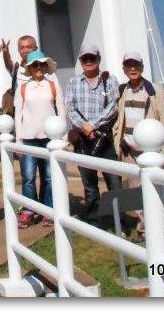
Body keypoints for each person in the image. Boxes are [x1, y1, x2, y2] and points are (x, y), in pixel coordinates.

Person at [112, 51, 164, 239]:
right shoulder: (122, 90)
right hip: (130, 151)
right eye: (128, 65)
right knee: (137, 194)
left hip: (153, 151)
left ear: (142, 67)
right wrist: (119, 140)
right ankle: (144, 230)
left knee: (160, 193)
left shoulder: (155, 91)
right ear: (124, 68)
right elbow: (118, 119)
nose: (132, 68)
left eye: (136, 65)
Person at [64, 43, 121, 226]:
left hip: (104, 137)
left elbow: (113, 106)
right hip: (82, 139)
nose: (88, 62)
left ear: (98, 60)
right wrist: (84, 127)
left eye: (92, 58)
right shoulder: (73, 82)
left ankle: (118, 219)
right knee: (89, 183)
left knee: (114, 180)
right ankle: (93, 219)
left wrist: (93, 126)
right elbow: (69, 108)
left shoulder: (110, 80)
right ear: (80, 61)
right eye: (84, 59)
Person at [15, 50, 63, 228]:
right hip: (29, 137)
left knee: (49, 177)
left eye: (41, 65)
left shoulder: (52, 85)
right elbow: (18, 114)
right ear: (29, 68)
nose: (38, 68)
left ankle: (48, 209)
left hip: (49, 138)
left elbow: (61, 110)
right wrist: (18, 141)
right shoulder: (23, 88)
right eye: (35, 65)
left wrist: (62, 136)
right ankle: (28, 210)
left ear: (46, 66)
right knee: (28, 176)